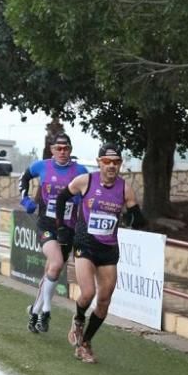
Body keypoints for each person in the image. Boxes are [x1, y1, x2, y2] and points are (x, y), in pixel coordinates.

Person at [54, 142, 146, 363]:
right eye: (107, 162)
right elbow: (61, 198)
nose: (111, 166)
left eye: (115, 162)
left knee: (104, 300)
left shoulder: (125, 188)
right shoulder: (86, 181)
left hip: (108, 248)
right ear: (99, 163)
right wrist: (61, 227)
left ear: (120, 164)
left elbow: (138, 217)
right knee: (87, 293)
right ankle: (77, 320)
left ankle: (85, 343)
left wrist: (134, 217)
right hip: (85, 244)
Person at [20, 133, 88, 334]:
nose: (62, 152)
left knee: (53, 270)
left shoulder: (80, 170)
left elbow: (89, 193)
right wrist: (25, 200)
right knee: (56, 263)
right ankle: (46, 312)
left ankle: (34, 311)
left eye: (66, 148)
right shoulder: (41, 166)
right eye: (58, 148)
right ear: (52, 150)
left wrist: (80, 201)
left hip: (68, 227)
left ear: (71, 150)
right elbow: (23, 179)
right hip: (46, 224)